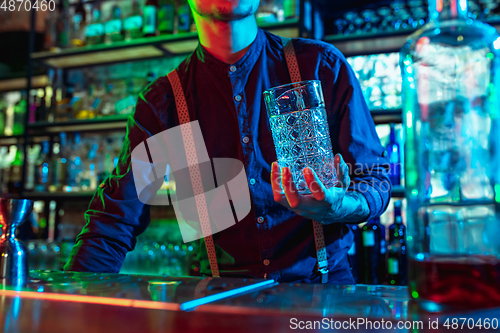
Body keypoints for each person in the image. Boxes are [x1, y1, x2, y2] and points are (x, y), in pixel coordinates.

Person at [65, 0, 391, 284]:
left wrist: (336, 207)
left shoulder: (318, 66)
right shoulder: (164, 102)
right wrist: (66, 304)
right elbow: (114, 220)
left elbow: (374, 179)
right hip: (220, 301)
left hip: (324, 296)